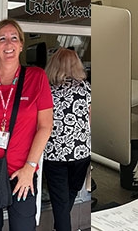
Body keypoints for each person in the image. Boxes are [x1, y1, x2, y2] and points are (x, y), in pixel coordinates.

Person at [0, 19, 52, 231]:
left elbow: (45, 126)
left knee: (23, 227)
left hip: (21, 171)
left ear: (21, 45)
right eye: (2, 39)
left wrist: (30, 167)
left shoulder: (36, 77)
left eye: (14, 38)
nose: (9, 43)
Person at [42, 48, 90, 231]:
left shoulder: (47, 90)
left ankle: (61, 225)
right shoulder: (85, 88)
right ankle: (61, 225)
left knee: (60, 200)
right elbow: (91, 120)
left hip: (54, 154)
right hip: (81, 153)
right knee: (72, 191)